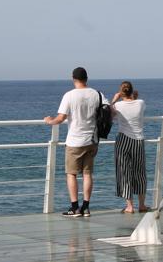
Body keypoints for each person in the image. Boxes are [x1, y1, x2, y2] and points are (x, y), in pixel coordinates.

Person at [44, 67, 108, 217]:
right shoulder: (97, 94)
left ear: (73, 79)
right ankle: (86, 207)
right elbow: (109, 109)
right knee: (87, 174)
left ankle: (74, 207)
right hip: (92, 140)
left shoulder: (69, 95)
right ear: (87, 78)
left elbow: (60, 118)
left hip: (74, 141)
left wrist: (49, 121)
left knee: (71, 174)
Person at [111, 81, 148, 213]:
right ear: (132, 91)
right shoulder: (141, 103)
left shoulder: (117, 105)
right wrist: (135, 98)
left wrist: (113, 100)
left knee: (124, 172)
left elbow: (109, 115)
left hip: (123, 140)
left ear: (121, 93)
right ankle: (142, 205)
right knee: (140, 173)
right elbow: (136, 106)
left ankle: (130, 206)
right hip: (138, 140)